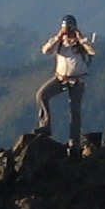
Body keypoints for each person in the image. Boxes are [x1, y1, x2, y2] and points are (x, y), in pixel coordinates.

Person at [32, 14, 96, 144]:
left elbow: (92, 51)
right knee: (42, 95)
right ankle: (45, 126)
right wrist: (58, 38)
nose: (68, 32)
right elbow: (45, 51)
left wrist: (81, 39)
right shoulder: (59, 43)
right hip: (60, 79)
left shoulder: (80, 43)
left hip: (77, 81)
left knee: (74, 111)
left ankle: (74, 141)